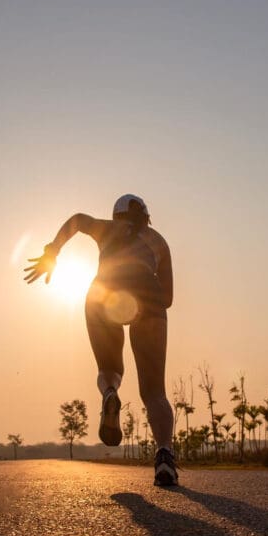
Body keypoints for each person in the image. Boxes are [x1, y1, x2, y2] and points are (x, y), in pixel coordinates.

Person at [23, 194, 178, 486]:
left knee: (109, 369)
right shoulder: (159, 241)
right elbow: (167, 298)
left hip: (102, 294)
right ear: (146, 216)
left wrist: (52, 251)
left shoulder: (106, 229)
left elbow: (77, 220)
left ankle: (109, 392)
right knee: (154, 391)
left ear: (116, 214)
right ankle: (165, 458)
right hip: (148, 299)